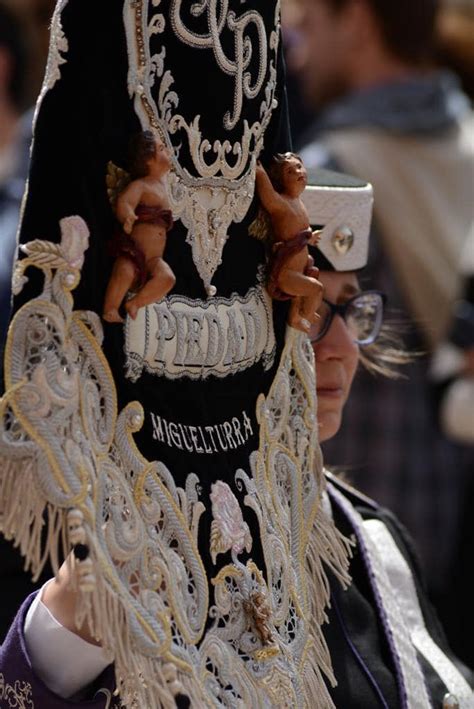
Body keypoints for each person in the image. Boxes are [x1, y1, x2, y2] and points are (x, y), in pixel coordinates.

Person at [287, 0, 474, 653]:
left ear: (358, 20)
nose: (296, 49)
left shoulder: (325, 171)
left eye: (309, 24)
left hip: (369, 593)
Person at [103, 131, 175, 323]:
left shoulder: (163, 188)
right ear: (148, 160)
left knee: (167, 278)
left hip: (154, 258)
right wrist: (127, 215)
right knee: (124, 272)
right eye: (161, 148)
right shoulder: (141, 185)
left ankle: (135, 303)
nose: (167, 150)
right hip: (134, 251)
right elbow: (125, 201)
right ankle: (110, 308)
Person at [255, 153, 322, 332]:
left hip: (299, 267)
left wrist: (310, 236)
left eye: (299, 167)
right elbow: (268, 197)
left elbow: (300, 230)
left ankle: (295, 316)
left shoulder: (298, 202)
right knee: (316, 289)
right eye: (290, 171)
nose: (298, 172)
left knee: (306, 279)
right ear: (281, 180)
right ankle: (307, 314)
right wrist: (260, 174)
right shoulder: (282, 204)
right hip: (286, 273)